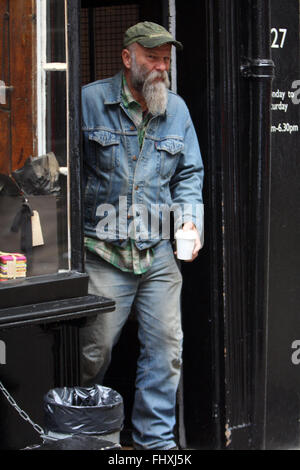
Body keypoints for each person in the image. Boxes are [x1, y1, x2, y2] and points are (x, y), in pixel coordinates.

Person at [80, 21, 204, 450]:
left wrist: (190, 221)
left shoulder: (177, 110)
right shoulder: (88, 102)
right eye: (152, 57)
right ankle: (88, 437)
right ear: (127, 57)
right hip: (101, 251)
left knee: (166, 352)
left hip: (156, 254)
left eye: (166, 59)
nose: (160, 67)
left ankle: (157, 445)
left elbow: (189, 175)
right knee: (91, 356)